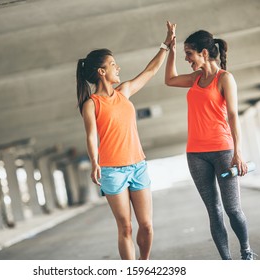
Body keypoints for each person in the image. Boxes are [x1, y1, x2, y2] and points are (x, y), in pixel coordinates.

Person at [76, 21, 174, 260]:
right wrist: (95, 163)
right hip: (112, 171)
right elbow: (91, 136)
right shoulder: (91, 104)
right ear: (101, 72)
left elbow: (150, 71)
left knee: (147, 226)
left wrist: (166, 45)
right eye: (112, 64)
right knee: (126, 228)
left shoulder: (125, 91)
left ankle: (144, 262)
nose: (117, 67)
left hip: (138, 166)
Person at [164, 24, 256, 260]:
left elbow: (233, 116)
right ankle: (227, 262)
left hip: (223, 151)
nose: (187, 59)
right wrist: (171, 49)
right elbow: (170, 80)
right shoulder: (195, 78)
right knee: (213, 212)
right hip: (195, 154)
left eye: (188, 54)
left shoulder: (225, 78)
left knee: (233, 209)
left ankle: (246, 251)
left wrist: (238, 153)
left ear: (204, 53)